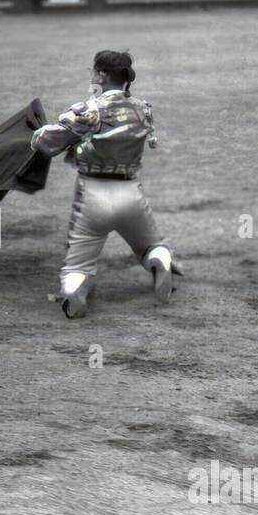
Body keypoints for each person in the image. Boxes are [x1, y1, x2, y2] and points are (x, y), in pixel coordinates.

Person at [30, 49, 179, 318]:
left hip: (94, 197)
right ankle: (161, 260)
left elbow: (48, 143)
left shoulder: (88, 111)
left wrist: (40, 134)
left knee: (78, 265)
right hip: (131, 194)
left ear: (101, 75)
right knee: (150, 245)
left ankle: (75, 292)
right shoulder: (143, 109)